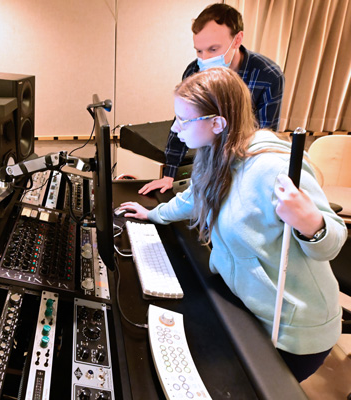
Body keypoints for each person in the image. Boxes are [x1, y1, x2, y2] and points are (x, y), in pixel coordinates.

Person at [119, 67, 348, 382]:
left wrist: (311, 223)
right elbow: (195, 196)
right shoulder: (216, 153)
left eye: (183, 120)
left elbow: (333, 241)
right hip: (248, 306)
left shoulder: (273, 166)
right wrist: (153, 215)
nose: (175, 128)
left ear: (217, 123)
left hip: (295, 331)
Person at [139, 3, 284, 195]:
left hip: (245, 169)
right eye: (199, 51)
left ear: (237, 39)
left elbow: (265, 136)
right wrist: (170, 174)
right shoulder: (194, 71)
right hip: (208, 164)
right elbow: (182, 121)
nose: (205, 59)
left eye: (213, 49)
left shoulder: (268, 76)